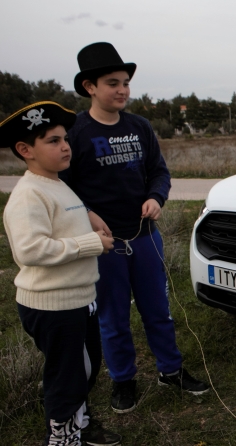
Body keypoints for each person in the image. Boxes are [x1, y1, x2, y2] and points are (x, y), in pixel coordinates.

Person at [60, 42, 209, 414]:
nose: (122, 89)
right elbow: (62, 186)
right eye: (113, 83)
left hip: (145, 239)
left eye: (125, 82)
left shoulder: (139, 127)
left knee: (158, 310)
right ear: (90, 87)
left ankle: (170, 370)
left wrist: (157, 197)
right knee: (113, 318)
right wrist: (87, 213)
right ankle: (123, 380)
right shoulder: (75, 132)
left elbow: (159, 171)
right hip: (104, 245)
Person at [1, 101, 120, 445]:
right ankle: (63, 437)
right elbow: (31, 249)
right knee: (67, 378)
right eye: (52, 141)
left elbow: (65, 215)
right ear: (26, 150)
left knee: (85, 368)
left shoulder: (55, 182)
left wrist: (89, 214)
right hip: (53, 305)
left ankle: (79, 423)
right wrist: (89, 243)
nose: (65, 146)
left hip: (78, 298)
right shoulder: (28, 194)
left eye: (64, 138)